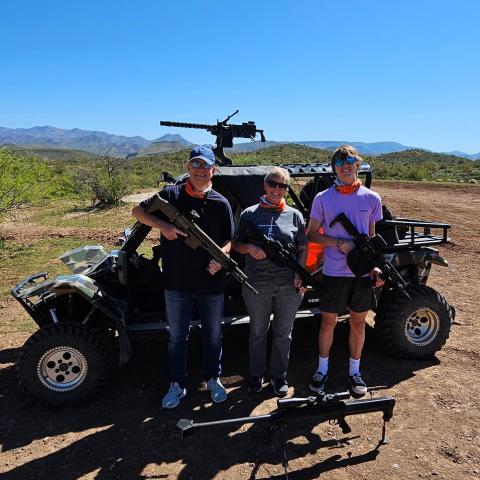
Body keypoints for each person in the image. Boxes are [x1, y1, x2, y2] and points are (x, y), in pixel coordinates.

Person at [132, 146, 234, 409]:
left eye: (205, 166)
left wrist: (221, 257)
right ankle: (177, 384)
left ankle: (213, 379)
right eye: (196, 165)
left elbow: (228, 240)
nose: (200, 171)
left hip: (211, 285)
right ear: (189, 168)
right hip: (177, 283)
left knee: (214, 336)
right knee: (177, 337)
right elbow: (137, 212)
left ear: (214, 170)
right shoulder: (171, 194)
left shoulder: (220, 203)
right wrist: (165, 226)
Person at [306, 145, 384, 396]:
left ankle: (354, 372)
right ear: (334, 168)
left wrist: (375, 267)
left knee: (358, 324)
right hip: (334, 272)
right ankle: (322, 369)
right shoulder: (322, 199)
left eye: (351, 160)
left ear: (358, 165)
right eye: (340, 162)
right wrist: (338, 243)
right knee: (328, 322)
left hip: (361, 275)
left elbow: (371, 238)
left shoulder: (372, 199)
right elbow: (311, 234)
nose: (346, 165)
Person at [233, 167, 307, 397]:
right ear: (265, 185)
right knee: (257, 331)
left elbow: (303, 246)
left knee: (283, 333)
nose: (277, 189)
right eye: (273, 184)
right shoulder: (249, 214)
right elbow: (235, 244)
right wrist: (250, 248)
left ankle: (278, 376)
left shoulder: (294, 215)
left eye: (283, 186)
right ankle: (256, 375)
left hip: (288, 285)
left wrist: (300, 273)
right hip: (257, 283)